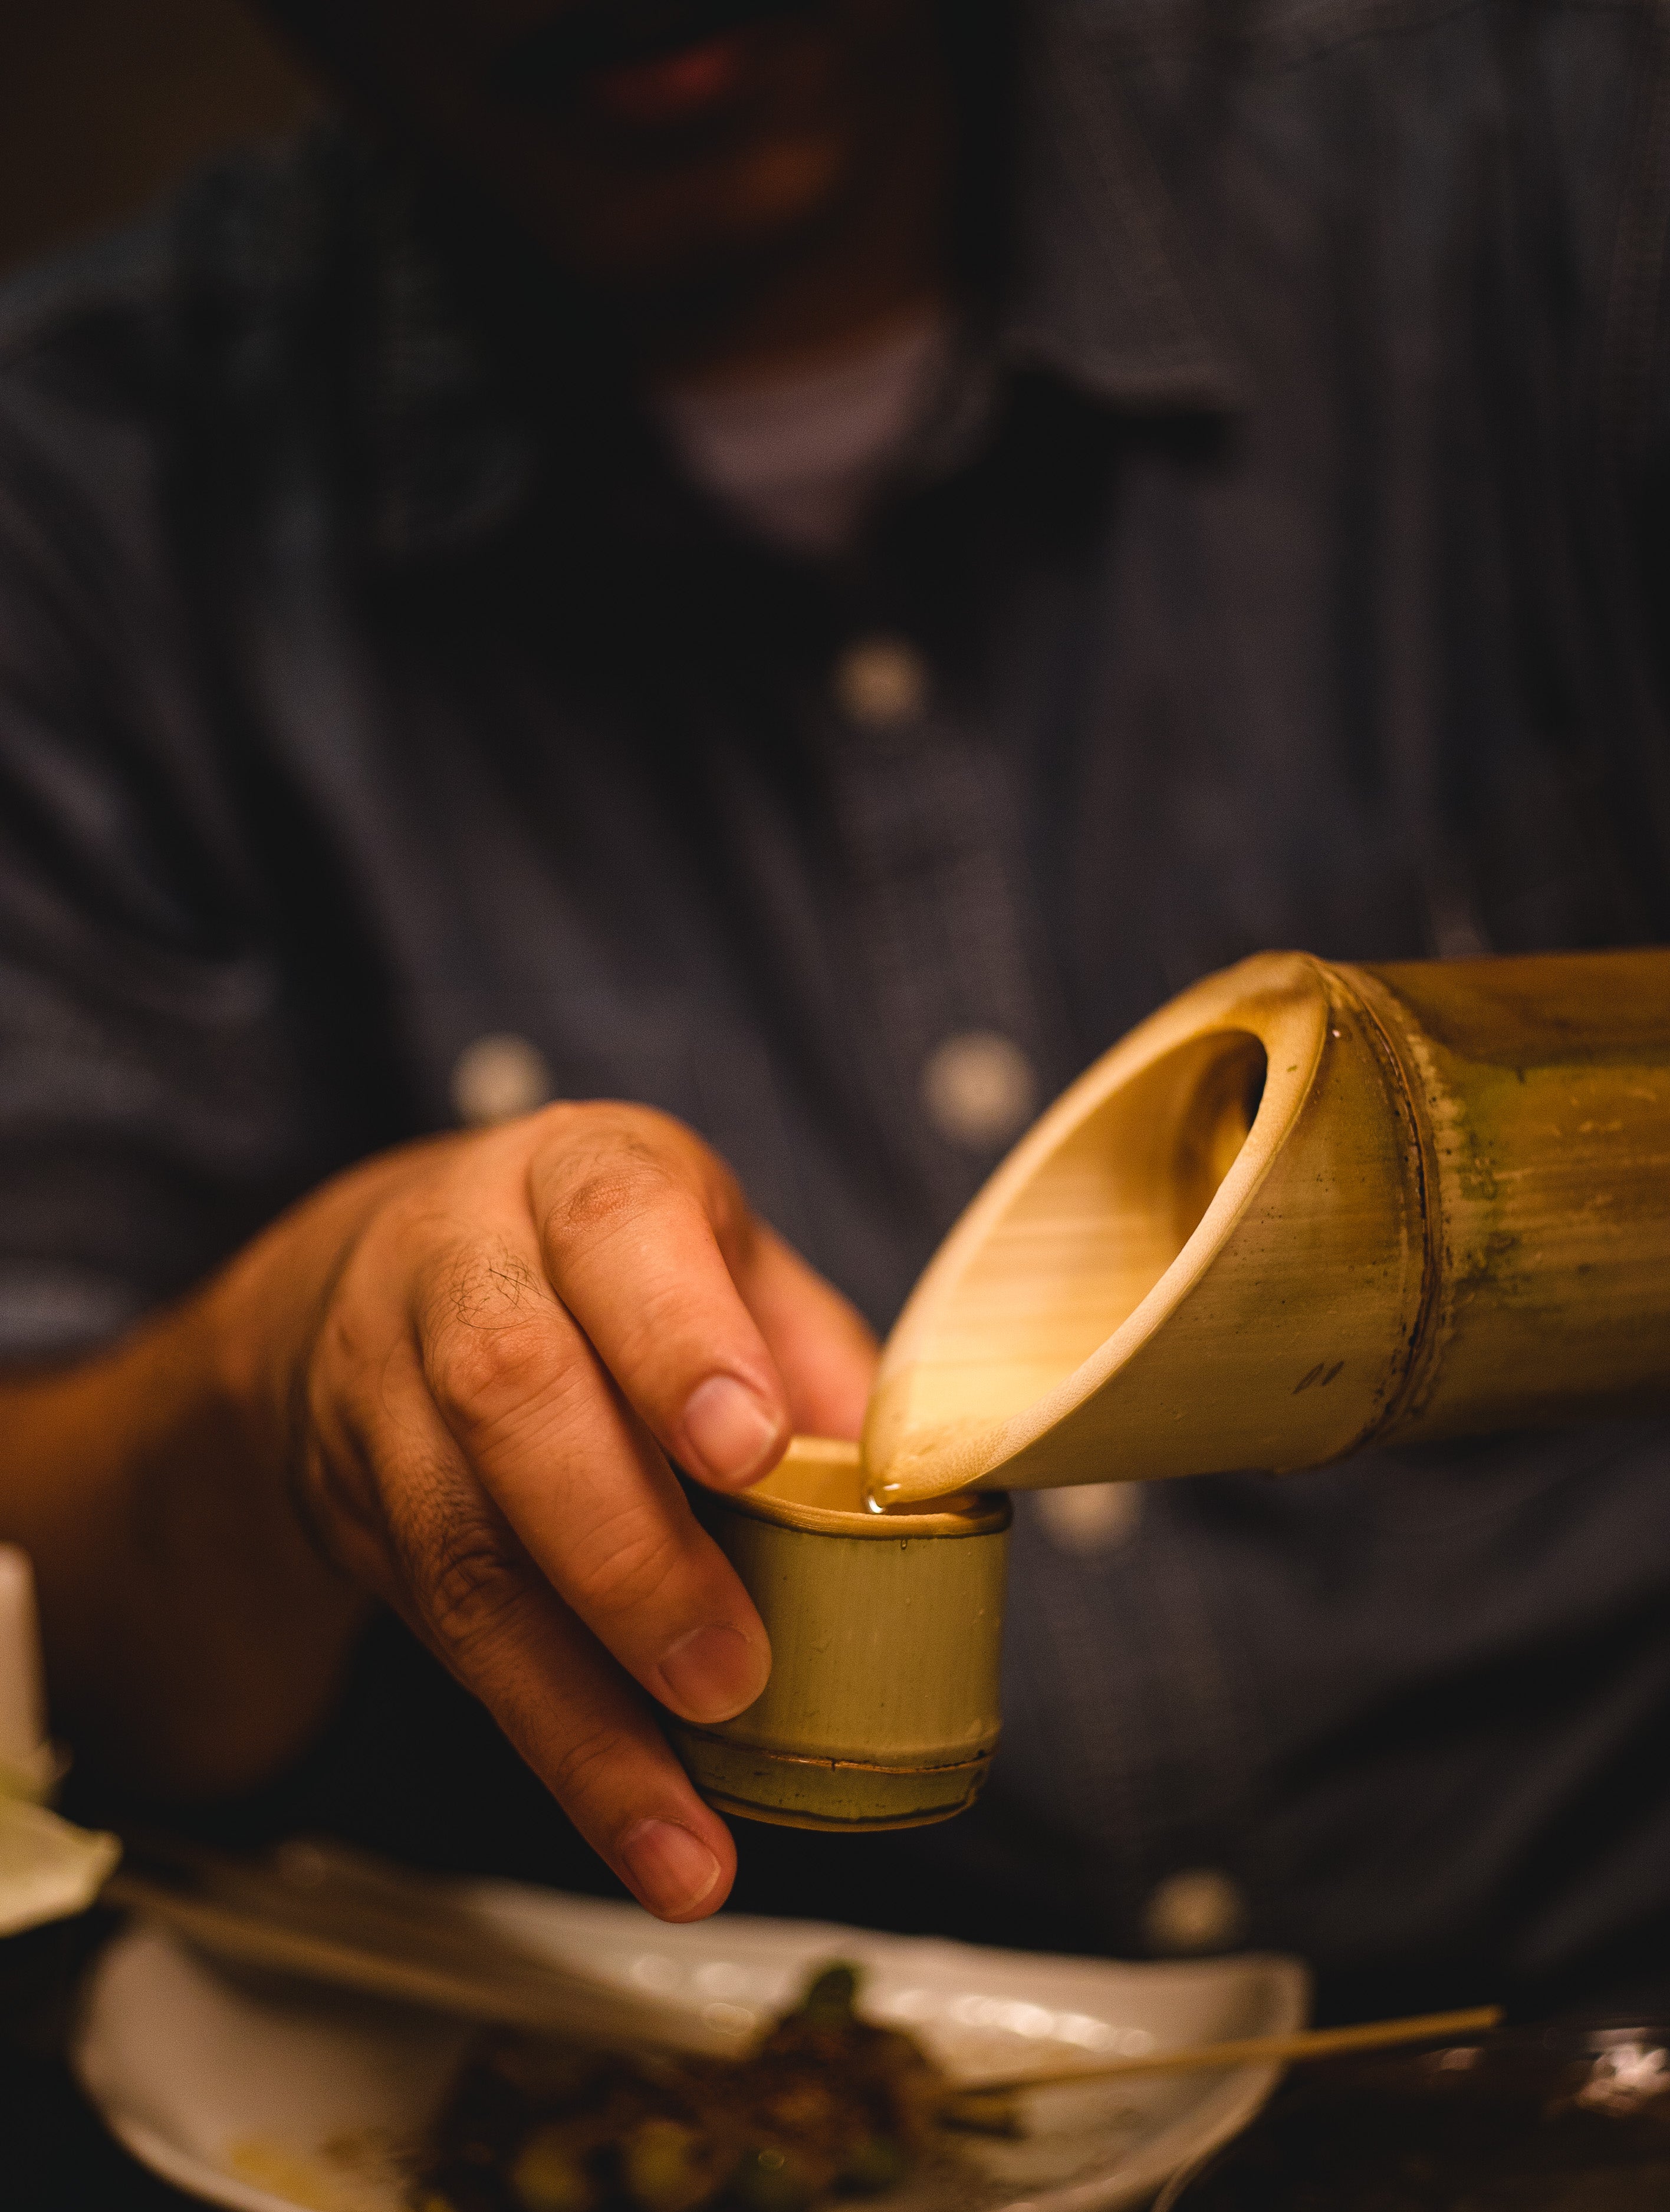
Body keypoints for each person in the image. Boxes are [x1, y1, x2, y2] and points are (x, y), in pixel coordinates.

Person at [0, 0, 1666, 2016]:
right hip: (676, 2129)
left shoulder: (1554, 177)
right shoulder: (81, 501)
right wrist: (277, 1368)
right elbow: (52, 1623)